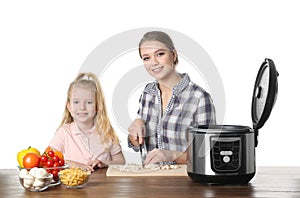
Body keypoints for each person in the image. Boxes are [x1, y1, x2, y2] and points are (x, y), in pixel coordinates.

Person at [128, 31, 216, 165]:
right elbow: (138, 144)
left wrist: (172, 155)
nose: (154, 62)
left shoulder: (199, 98)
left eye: (160, 54)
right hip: (148, 180)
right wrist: (136, 128)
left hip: (184, 184)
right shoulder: (147, 93)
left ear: (174, 55)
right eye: (147, 58)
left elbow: (207, 154)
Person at [49, 72, 125, 172]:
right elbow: (48, 159)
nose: (82, 107)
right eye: (76, 102)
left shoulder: (106, 131)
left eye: (89, 102)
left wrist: (104, 163)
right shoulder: (64, 132)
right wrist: (74, 164)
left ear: (97, 106)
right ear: (69, 106)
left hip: (104, 186)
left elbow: (121, 162)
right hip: (73, 186)